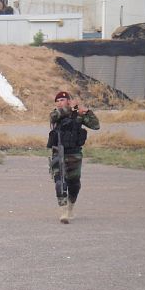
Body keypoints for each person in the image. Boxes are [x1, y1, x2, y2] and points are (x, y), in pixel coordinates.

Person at [48, 91, 100, 223]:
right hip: (58, 152)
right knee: (59, 182)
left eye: (62, 100)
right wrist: (70, 109)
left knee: (74, 184)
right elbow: (55, 117)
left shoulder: (78, 115)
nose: (59, 103)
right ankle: (63, 211)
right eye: (57, 101)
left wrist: (87, 112)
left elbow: (96, 126)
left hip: (74, 154)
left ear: (69, 101)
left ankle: (71, 206)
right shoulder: (56, 114)